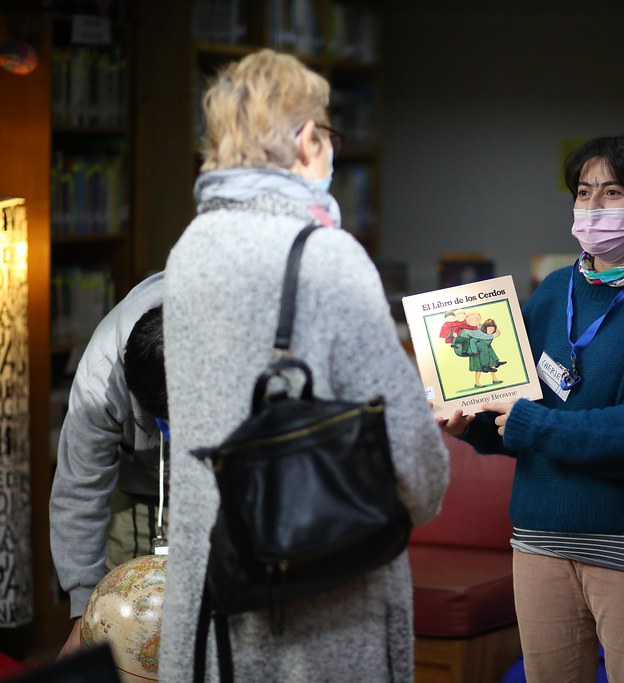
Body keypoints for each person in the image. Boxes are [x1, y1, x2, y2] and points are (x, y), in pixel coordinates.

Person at [160, 49, 448, 682]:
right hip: (321, 607)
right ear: (305, 139)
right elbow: (414, 465)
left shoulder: (189, 251)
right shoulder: (327, 256)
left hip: (216, 592)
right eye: (327, 133)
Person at [440, 135, 624, 683]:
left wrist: (528, 421)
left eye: (613, 192)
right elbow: (514, 414)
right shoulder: (553, 290)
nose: (593, 207)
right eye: (584, 192)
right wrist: (470, 423)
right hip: (538, 538)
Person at [49, 272, 166, 657]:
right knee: (124, 631)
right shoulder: (100, 380)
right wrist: (85, 612)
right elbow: (78, 490)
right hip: (134, 495)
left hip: (225, 492)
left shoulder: (237, 344)